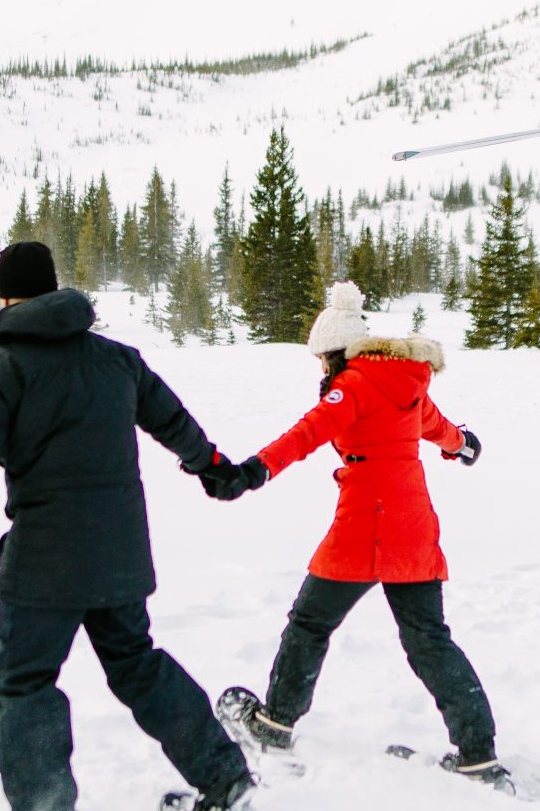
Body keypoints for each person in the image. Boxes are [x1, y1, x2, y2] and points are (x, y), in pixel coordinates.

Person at [0, 240, 253, 811]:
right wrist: (213, 467)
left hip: (44, 565)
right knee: (136, 663)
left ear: (5, 297)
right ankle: (223, 775)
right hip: (119, 553)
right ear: (53, 288)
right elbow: (174, 424)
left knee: (25, 681)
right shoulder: (117, 360)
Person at [207, 281, 504, 784]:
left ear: (337, 353)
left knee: (309, 623)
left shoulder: (354, 386)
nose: (320, 369)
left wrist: (252, 472)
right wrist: (464, 446)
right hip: (412, 521)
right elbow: (438, 428)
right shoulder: (405, 382)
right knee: (430, 640)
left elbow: (308, 432)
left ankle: (275, 724)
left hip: (366, 522)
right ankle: (478, 753)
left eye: (322, 359)